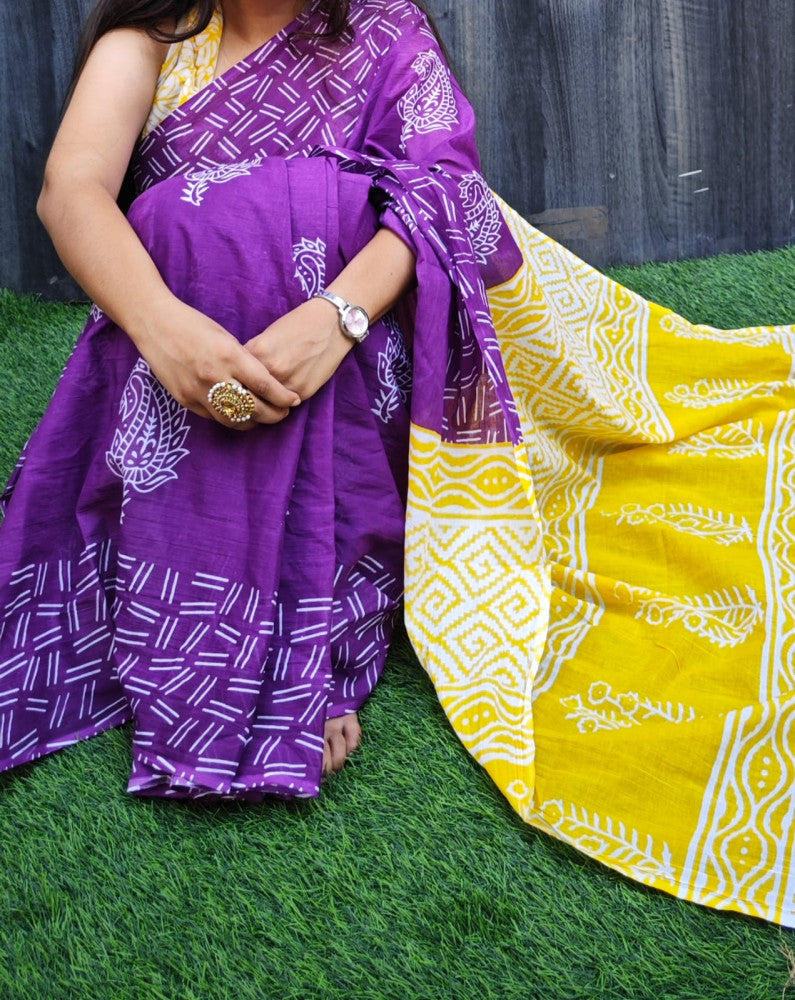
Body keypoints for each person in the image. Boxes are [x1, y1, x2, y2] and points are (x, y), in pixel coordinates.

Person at [3, 0, 795, 926]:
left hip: (358, 351)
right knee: (193, 217)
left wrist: (333, 319)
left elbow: (445, 192)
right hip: (189, 347)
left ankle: (309, 628)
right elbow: (73, 192)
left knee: (325, 204)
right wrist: (164, 329)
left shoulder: (382, 29)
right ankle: (255, 633)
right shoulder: (157, 36)